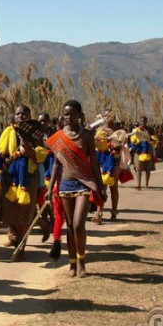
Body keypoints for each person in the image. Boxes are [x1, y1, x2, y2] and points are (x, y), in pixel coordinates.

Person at [46, 100, 104, 278]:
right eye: (65, 114)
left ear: (79, 116)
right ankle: (72, 263)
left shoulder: (86, 135)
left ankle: (81, 261)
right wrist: (50, 188)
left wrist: (101, 186)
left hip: (84, 184)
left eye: (71, 114)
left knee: (79, 225)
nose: (68, 117)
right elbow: (56, 164)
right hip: (65, 185)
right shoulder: (59, 137)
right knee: (70, 226)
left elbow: (94, 162)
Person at [0, 105, 48, 260]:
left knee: (25, 213)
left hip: (28, 178)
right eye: (18, 113)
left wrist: (30, 152)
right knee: (9, 211)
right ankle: (17, 235)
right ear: (14, 116)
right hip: (10, 177)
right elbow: (0, 151)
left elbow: (43, 153)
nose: (21, 116)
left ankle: (21, 247)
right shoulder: (8, 131)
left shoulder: (35, 132)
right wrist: (5, 161)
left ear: (30, 116)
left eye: (25, 114)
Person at [130, 117, 156, 190]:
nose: (143, 122)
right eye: (141, 121)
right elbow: (132, 140)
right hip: (138, 151)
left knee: (148, 169)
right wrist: (135, 143)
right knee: (138, 168)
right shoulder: (135, 130)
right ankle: (138, 185)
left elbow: (155, 140)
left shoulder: (150, 130)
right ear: (139, 122)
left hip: (148, 152)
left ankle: (146, 184)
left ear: (146, 122)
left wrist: (149, 138)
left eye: (144, 121)